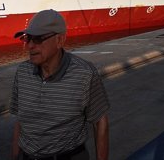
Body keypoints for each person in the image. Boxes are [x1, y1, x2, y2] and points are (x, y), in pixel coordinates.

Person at [10, 9, 110, 160]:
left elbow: (100, 122)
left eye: (38, 39)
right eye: (27, 38)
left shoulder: (84, 74)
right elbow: (20, 121)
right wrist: (14, 156)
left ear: (60, 40)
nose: (30, 45)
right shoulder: (22, 72)